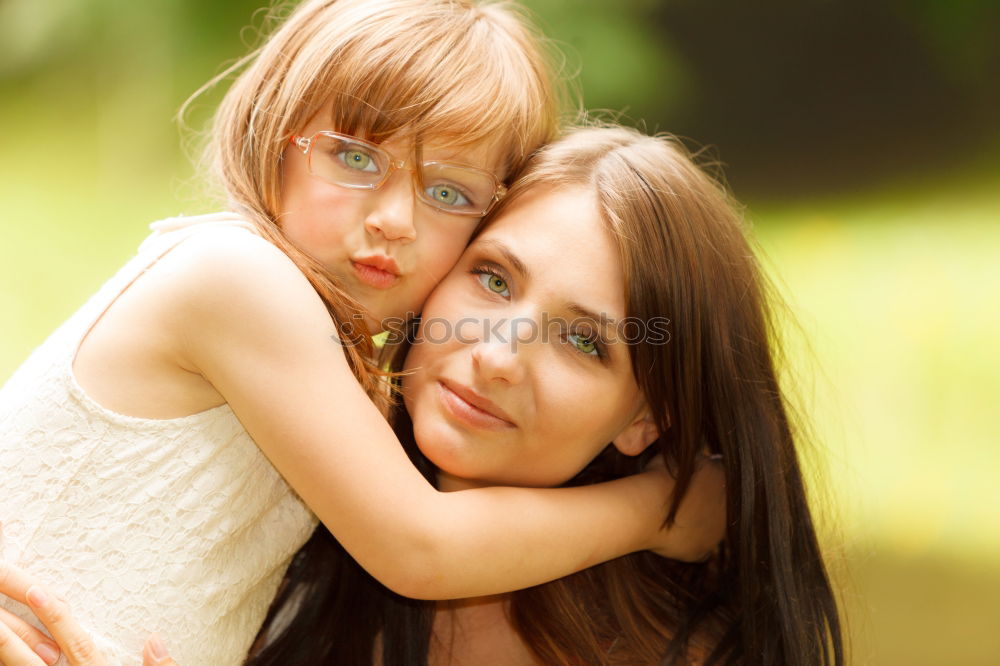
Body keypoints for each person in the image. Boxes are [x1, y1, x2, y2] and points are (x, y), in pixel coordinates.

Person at [0, 2, 716, 664]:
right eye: (355, 157)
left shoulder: (335, 356)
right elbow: (420, 548)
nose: (394, 220)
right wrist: (657, 509)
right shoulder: (238, 280)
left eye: (446, 192)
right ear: (275, 136)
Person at [246, 126, 844, 665]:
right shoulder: (276, 536)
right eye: (494, 279)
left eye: (583, 341)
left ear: (647, 420)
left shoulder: (685, 653)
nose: (498, 357)